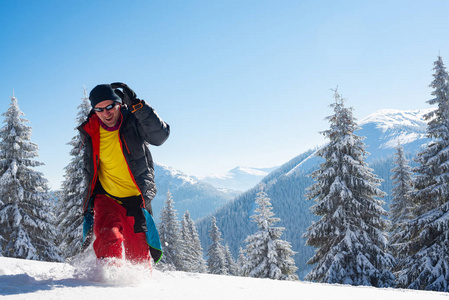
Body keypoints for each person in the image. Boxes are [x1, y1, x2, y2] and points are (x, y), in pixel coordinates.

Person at [79, 82, 169, 266]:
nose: (106, 113)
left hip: (135, 202)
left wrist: (139, 106)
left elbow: (160, 136)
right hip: (106, 198)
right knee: (107, 238)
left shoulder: (133, 121)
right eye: (100, 109)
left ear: (119, 103)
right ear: (94, 110)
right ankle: (104, 285)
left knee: (139, 262)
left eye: (110, 106)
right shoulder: (91, 131)